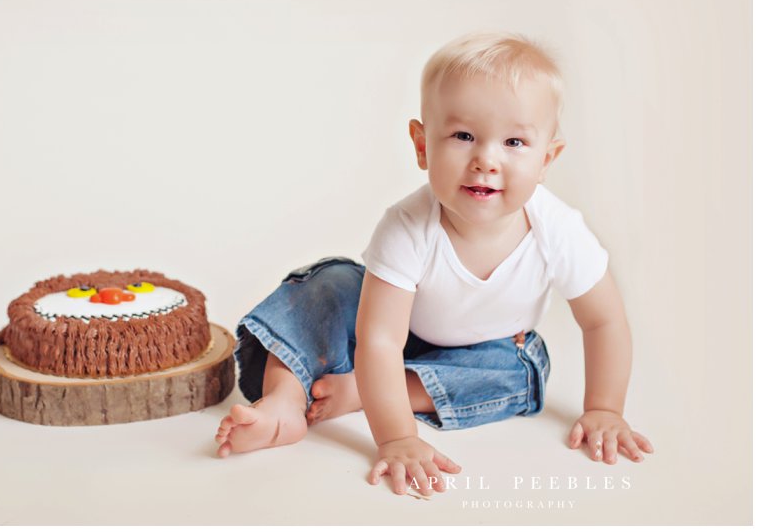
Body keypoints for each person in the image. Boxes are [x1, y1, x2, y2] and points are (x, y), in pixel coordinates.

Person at [214, 31, 654, 496]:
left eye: (514, 142)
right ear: (422, 146)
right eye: (463, 136)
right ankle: (284, 397)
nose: (486, 159)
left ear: (547, 159)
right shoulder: (407, 226)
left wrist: (605, 407)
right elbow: (379, 340)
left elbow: (604, 320)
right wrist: (399, 439)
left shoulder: (558, 231)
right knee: (330, 284)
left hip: (481, 350)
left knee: (521, 370)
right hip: (377, 338)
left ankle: (365, 392)